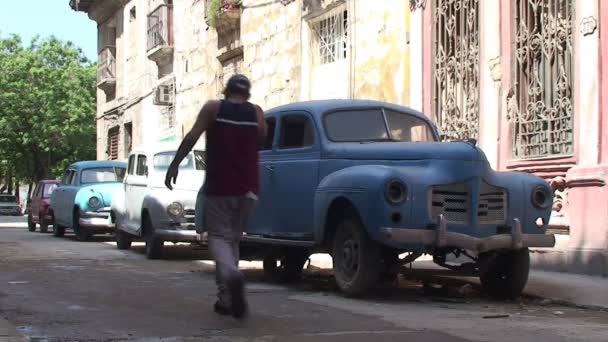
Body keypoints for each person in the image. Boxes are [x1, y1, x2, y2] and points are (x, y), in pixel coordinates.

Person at [165, 74, 266, 319]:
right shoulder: (257, 113)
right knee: (232, 240)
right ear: (248, 93)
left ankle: (231, 276)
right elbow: (262, 139)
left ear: (226, 90)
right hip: (249, 189)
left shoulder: (214, 109)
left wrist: (175, 164)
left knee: (219, 238)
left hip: (220, 186)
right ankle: (225, 298)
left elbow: (192, 136)